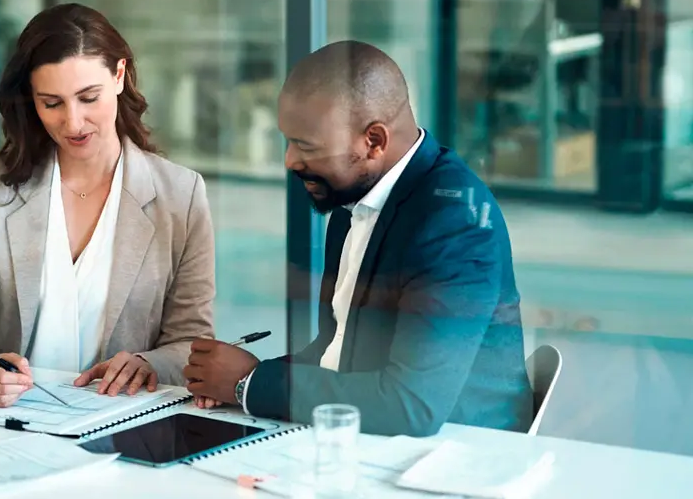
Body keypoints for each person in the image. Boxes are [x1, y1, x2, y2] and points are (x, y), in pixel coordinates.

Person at [184, 40, 533, 436]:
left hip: (457, 456)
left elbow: (410, 406)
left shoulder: (454, 224)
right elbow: (336, 350)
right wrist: (238, 377)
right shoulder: (356, 201)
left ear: (374, 141)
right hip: (375, 442)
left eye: (306, 145)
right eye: (288, 140)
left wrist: (250, 384)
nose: (290, 161)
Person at [0, 3, 216, 408]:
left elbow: (191, 341)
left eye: (88, 97)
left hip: (120, 422)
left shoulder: (181, 195)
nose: (73, 123)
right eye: (52, 103)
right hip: (7, 418)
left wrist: (148, 363)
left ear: (119, 75)